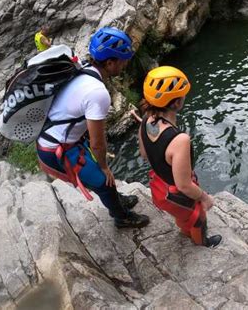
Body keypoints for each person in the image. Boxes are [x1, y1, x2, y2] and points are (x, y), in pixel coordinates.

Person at [36, 27, 150, 229]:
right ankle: (122, 217)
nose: (125, 65)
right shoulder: (98, 93)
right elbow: (98, 144)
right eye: (123, 60)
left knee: (104, 177)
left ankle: (117, 198)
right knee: (103, 181)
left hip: (59, 138)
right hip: (56, 150)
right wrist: (105, 168)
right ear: (110, 62)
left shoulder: (83, 69)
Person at [138, 66, 222, 248]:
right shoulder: (179, 140)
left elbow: (144, 154)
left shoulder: (146, 119)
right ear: (176, 103)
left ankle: (184, 230)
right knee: (198, 218)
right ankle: (202, 244)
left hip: (160, 189)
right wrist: (205, 198)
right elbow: (184, 185)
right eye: (182, 95)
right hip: (177, 195)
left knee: (183, 216)